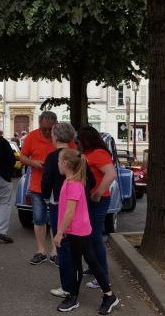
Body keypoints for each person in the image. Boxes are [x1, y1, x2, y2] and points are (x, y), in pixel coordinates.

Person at [53, 148, 119, 314]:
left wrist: (60, 232)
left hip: (78, 230)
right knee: (84, 262)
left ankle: (105, 296)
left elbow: (70, 211)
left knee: (86, 263)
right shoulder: (70, 182)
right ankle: (78, 296)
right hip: (77, 229)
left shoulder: (73, 184)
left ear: (66, 164)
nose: (58, 164)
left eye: (59, 161)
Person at [42, 123, 95, 297]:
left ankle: (67, 287)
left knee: (63, 247)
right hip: (80, 209)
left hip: (60, 205)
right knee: (77, 250)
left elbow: (46, 182)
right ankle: (78, 284)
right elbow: (92, 181)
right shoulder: (77, 155)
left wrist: (45, 196)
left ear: (55, 137)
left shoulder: (52, 157)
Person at [78, 126, 117, 289]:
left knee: (95, 238)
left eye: (79, 139)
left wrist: (99, 192)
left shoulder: (98, 154)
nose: (77, 142)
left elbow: (111, 174)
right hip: (90, 200)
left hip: (98, 201)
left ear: (86, 139)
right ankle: (95, 268)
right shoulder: (88, 154)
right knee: (90, 237)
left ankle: (103, 276)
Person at [20, 111, 61, 265]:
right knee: (39, 218)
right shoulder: (31, 136)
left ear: (55, 125)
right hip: (37, 185)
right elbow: (22, 157)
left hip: (57, 186)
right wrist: (34, 163)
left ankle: (55, 251)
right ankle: (40, 250)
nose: (47, 132)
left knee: (56, 219)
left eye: (50, 129)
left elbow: (72, 155)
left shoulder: (61, 135)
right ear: (39, 125)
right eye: (44, 128)